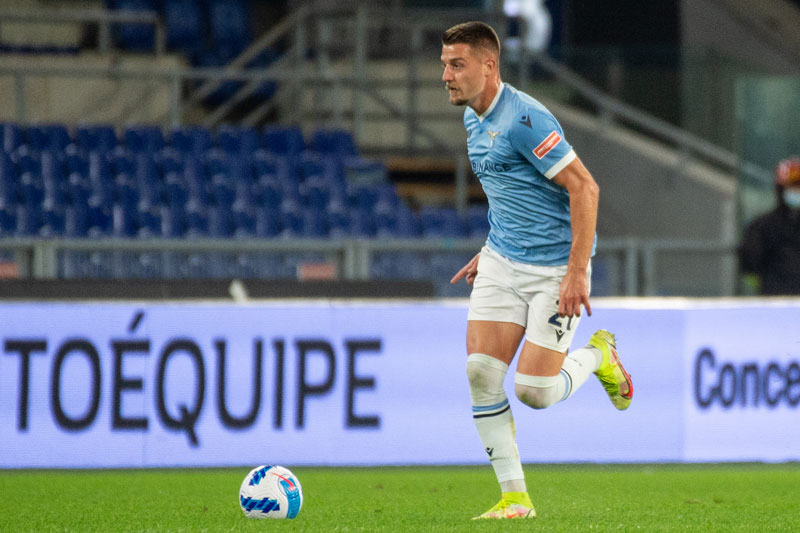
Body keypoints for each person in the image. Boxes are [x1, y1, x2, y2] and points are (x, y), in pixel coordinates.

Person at [441, 21, 633, 520]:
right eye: (444, 65)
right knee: (480, 373)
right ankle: (515, 499)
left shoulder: (525, 120)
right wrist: (491, 249)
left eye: (457, 64)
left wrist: (577, 271)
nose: (446, 76)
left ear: (489, 65)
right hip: (502, 259)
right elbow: (511, 193)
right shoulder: (473, 120)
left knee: (535, 393)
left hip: (553, 268)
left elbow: (585, 188)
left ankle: (599, 355)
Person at [739, 157, 800, 295]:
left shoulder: (762, 225)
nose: (797, 191)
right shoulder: (762, 226)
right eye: (793, 187)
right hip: (775, 299)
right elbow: (750, 264)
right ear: (781, 189)